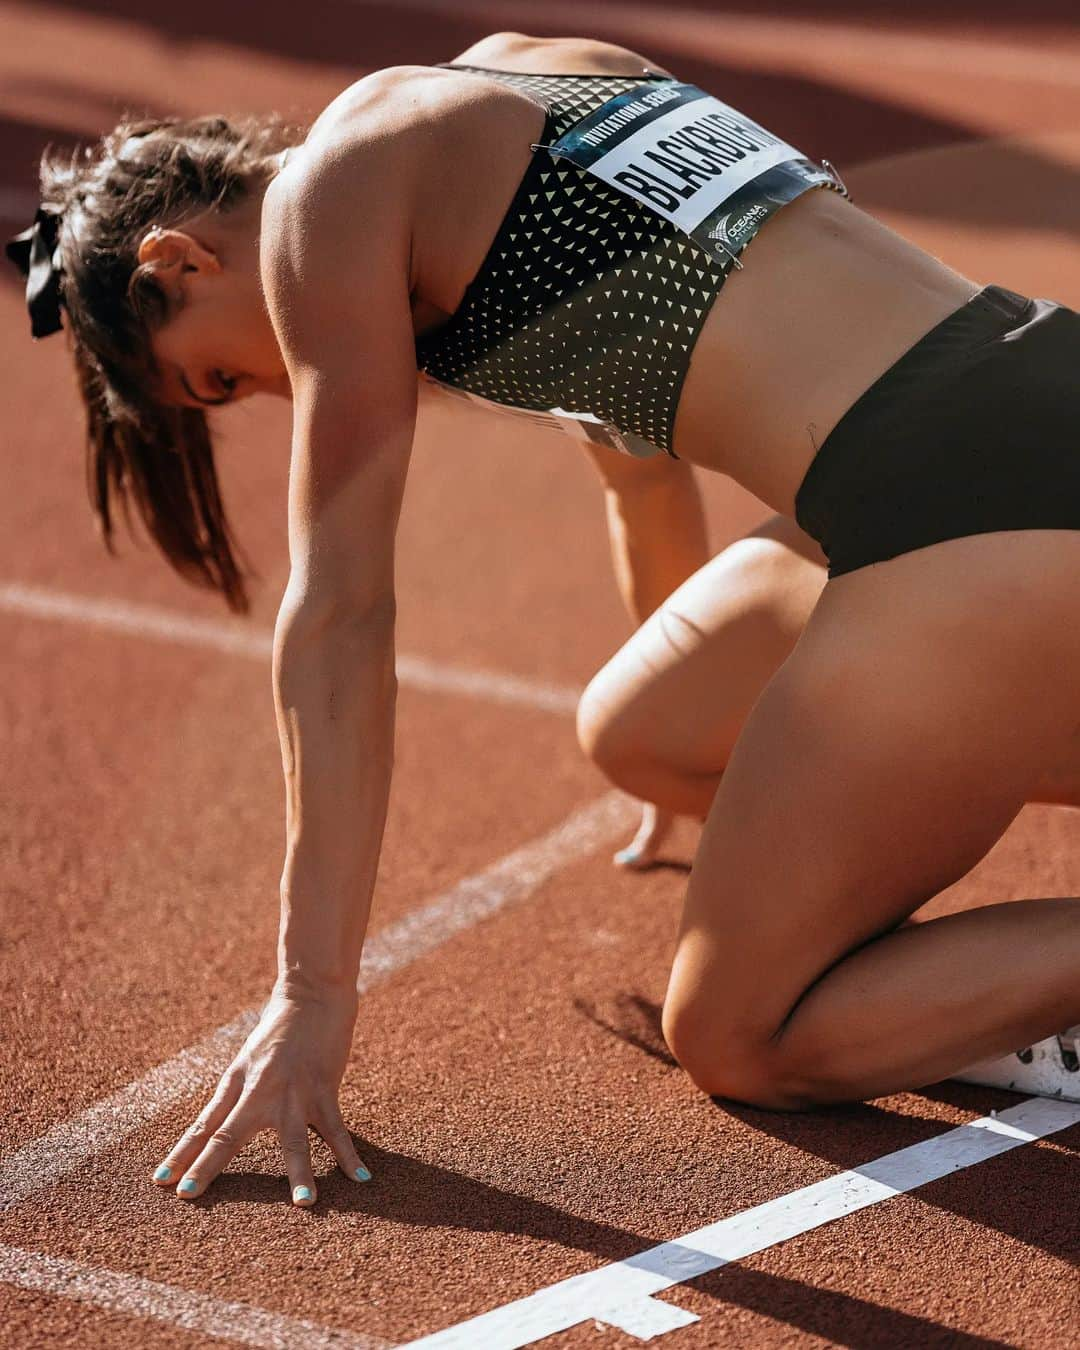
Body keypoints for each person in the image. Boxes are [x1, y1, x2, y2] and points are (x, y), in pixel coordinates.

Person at [7, 31, 1080, 1210]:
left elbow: (340, 613)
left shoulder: (332, 203)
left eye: (216, 380)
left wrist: (311, 997)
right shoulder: (522, 72)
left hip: (960, 519)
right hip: (1028, 385)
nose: (267, 394)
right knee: (646, 729)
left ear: (181, 258)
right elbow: (641, 475)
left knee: (740, 1036)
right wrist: (751, 783)